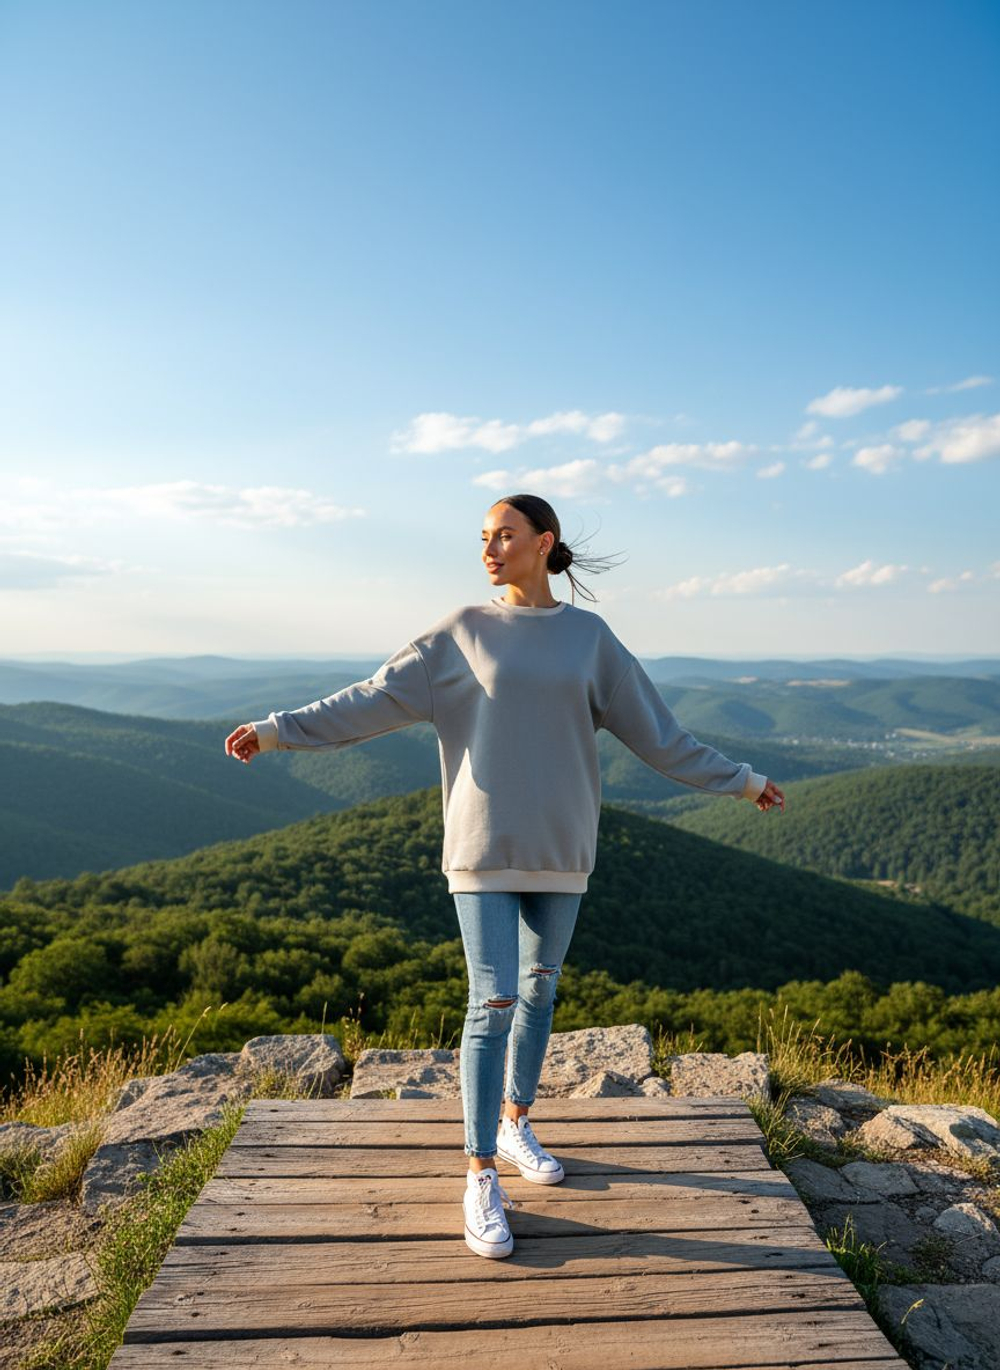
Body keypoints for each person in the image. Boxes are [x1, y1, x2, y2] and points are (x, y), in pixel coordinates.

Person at [224, 491, 785, 1261]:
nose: (489, 547)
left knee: (540, 987)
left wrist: (744, 781)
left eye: (505, 534)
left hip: (561, 848)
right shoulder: (461, 632)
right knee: (491, 999)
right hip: (482, 849)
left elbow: (661, 737)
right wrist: (277, 730)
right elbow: (370, 701)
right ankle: (480, 1171)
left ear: (543, 542)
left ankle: (517, 1122)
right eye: (483, 536)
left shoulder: (589, 639)